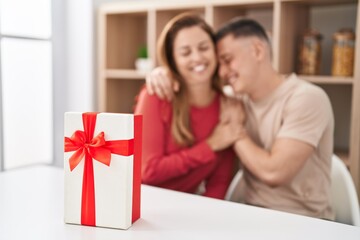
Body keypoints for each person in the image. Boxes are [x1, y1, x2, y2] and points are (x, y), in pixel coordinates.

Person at [146, 18, 335, 220]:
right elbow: (197, 87)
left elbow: (274, 174)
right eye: (220, 64)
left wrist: (235, 131)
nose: (223, 72)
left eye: (227, 60)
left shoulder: (305, 98)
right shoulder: (235, 99)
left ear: (257, 51)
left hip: (303, 220)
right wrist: (163, 73)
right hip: (249, 212)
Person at [134, 13, 244, 199]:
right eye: (185, 52)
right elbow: (148, 172)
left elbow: (219, 183)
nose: (197, 58)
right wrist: (210, 146)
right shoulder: (156, 96)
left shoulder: (227, 106)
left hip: (188, 210)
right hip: (143, 206)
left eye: (204, 48)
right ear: (173, 60)